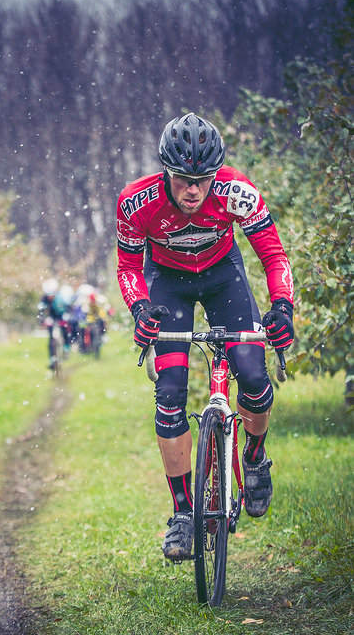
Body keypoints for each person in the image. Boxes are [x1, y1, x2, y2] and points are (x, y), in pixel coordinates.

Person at [116, 113, 294, 561]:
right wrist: (140, 310)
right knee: (169, 393)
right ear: (165, 172)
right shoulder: (136, 202)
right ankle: (183, 513)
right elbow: (128, 268)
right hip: (168, 283)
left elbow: (273, 255)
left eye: (203, 179)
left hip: (222, 276)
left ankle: (254, 456)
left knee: (252, 375)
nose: (193, 190)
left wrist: (282, 307)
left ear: (217, 174)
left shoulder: (237, 191)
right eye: (183, 179)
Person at [37, 278, 71, 366]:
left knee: (65, 330)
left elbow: (68, 307)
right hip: (51, 318)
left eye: (52, 295)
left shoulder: (61, 298)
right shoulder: (43, 299)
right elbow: (41, 311)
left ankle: (66, 347)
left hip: (61, 316)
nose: (50, 297)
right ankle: (52, 358)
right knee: (51, 339)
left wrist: (66, 315)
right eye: (49, 295)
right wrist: (41, 320)